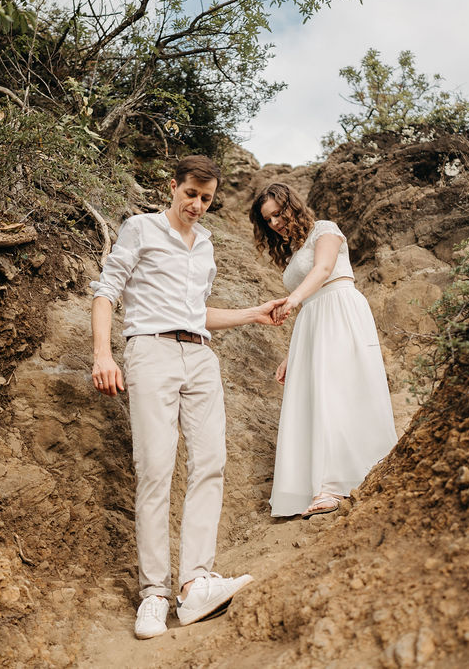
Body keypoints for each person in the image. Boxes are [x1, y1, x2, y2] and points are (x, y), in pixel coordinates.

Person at [91, 156, 284, 640]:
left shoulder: (207, 246)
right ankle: (153, 594)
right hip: (150, 352)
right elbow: (107, 291)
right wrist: (102, 356)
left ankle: (196, 582)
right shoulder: (140, 228)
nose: (197, 205)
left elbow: (199, 313)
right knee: (155, 469)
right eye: (190, 195)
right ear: (173, 187)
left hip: (200, 357)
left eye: (206, 199)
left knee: (211, 462)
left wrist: (252, 315)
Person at [249, 182, 398, 518]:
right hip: (312, 322)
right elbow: (307, 299)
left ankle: (335, 484)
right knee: (316, 398)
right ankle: (317, 485)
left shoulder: (325, 230)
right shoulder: (290, 252)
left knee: (340, 391)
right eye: (267, 220)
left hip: (341, 309)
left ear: (292, 205)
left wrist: (293, 299)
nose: (273, 224)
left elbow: (324, 270)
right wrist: (293, 353)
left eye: (277, 214)